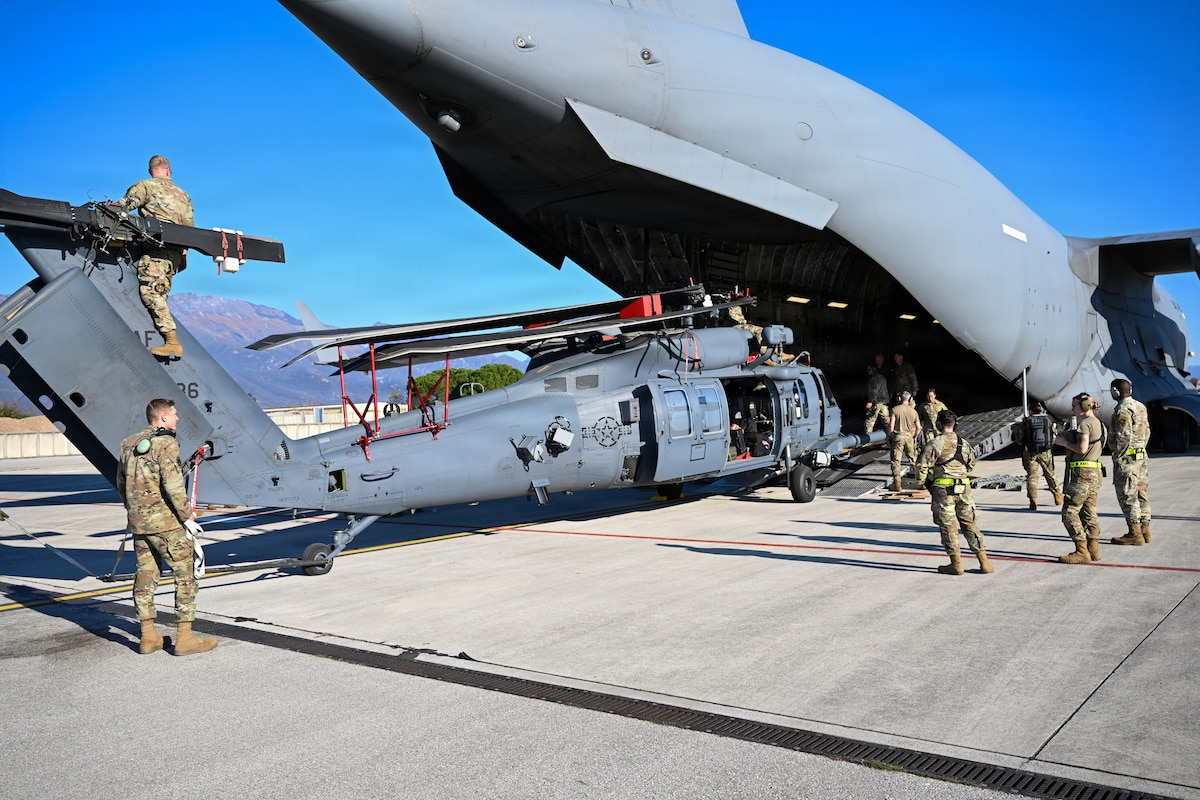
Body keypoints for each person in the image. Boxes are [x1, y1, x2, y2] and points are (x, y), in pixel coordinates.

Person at [117, 398, 217, 656]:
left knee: (145, 575)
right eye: (174, 414)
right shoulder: (167, 443)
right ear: (162, 417)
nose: (177, 418)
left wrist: (135, 511)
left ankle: (148, 637)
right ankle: (184, 638)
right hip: (165, 523)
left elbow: (121, 484)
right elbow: (173, 485)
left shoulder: (128, 444)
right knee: (186, 573)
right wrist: (187, 516)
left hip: (139, 524)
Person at [117, 155, 195, 359]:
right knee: (161, 292)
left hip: (156, 251)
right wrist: (183, 255)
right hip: (174, 255)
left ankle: (172, 342)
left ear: (150, 170)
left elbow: (124, 206)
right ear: (169, 171)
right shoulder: (183, 195)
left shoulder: (145, 187)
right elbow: (189, 229)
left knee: (151, 293)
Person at [916, 410, 993, 575]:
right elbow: (971, 465)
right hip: (964, 490)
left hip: (944, 491)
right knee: (969, 524)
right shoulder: (963, 443)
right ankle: (984, 563)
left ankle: (956, 564)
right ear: (955, 425)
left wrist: (923, 482)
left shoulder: (935, 443)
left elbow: (921, 467)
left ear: (938, 425)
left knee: (949, 527)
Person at [1054, 393, 1106, 564]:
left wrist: (1063, 443)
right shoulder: (1099, 424)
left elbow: (1082, 448)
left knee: (1069, 513)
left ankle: (1081, 551)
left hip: (1082, 475)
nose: (1072, 409)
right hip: (1094, 473)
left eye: (1075, 405)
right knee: (1089, 512)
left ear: (1084, 407)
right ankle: (1094, 549)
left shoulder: (1085, 424)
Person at [1108, 378, 1152, 545]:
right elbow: (1147, 432)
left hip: (1128, 460)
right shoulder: (1141, 406)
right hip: (1141, 456)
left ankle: (1135, 533)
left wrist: (1118, 455)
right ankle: (1145, 530)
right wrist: (1140, 448)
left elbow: (1123, 437)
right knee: (1141, 493)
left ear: (1115, 392)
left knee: (1128, 496)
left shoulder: (1122, 410)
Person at [1013, 400, 1062, 510]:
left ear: (1030, 411)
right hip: (1045, 452)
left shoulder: (1026, 422)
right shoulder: (1047, 420)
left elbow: (1019, 437)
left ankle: (1033, 499)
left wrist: (1025, 445)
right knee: (1050, 473)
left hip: (1030, 452)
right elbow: (1053, 436)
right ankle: (1057, 495)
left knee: (1032, 476)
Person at [886, 391, 921, 491]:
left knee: (896, 461)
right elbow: (918, 427)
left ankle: (897, 484)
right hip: (909, 437)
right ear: (910, 399)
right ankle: (922, 482)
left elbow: (891, 425)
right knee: (913, 460)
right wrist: (914, 437)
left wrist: (889, 436)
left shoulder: (895, 410)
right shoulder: (913, 411)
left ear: (899, 399)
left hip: (898, 437)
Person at [864, 363, 891, 433]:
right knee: (887, 421)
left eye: (869, 369)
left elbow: (874, 391)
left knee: (869, 421)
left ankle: (868, 439)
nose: (868, 371)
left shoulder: (874, 379)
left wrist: (870, 401)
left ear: (873, 370)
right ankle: (892, 434)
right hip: (883, 402)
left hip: (876, 402)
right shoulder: (882, 377)